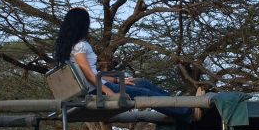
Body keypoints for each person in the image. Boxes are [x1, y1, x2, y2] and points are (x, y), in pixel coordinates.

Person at [53, 7, 191, 120]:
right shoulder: (80, 47)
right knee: (145, 93)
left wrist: (117, 80)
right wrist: (109, 93)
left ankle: (182, 106)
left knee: (142, 83)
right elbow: (89, 75)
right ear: (82, 24)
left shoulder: (72, 47)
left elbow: (90, 73)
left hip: (100, 85)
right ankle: (187, 112)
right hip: (97, 89)